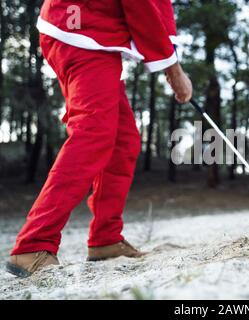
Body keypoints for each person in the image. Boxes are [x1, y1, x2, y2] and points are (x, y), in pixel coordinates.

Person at [6, 0, 192, 278]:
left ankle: (106, 239)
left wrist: (168, 58)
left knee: (122, 140)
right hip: (79, 28)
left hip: (89, 30)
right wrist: (173, 68)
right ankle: (34, 243)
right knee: (93, 133)